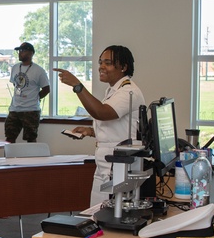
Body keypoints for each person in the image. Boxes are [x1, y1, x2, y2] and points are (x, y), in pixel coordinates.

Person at [53, 44, 145, 206]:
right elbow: (119, 128)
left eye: (108, 63)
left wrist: (78, 86)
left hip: (116, 165)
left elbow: (102, 112)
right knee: (97, 213)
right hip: (108, 165)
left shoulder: (127, 92)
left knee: (104, 215)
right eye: (100, 62)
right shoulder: (114, 91)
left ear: (123, 67)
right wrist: (90, 131)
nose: (101, 67)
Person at [5, 42, 50, 143]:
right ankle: (8, 159)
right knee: (9, 138)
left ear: (31, 53)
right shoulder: (15, 68)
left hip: (31, 110)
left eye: (23, 51)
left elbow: (46, 89)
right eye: (19, 51)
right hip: (14, 109)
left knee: (31, 139)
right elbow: (15, 84)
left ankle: (31, 159)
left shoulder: (39, 71)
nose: (20, 53)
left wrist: (35, 97)